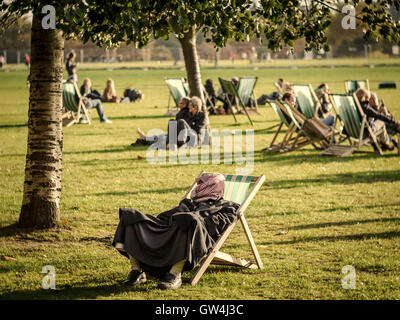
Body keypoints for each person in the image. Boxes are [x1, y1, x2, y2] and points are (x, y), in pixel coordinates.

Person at [112, 173, 240, 290]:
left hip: (192, 235)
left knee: (188, 221)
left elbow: (217, 226)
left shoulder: (227, 207)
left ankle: (174, 274)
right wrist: (177, 214)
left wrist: (194, 217)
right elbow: (164, 217)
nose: (198, 186)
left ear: (213, 186)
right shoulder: (189, 202)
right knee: (131, 216)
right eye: (199, 183)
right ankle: (137, 271)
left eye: (202, 183)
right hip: (169, 231)